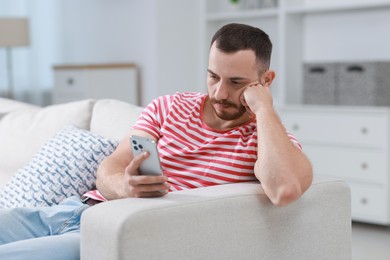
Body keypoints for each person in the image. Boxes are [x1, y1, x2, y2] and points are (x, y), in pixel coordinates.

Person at [0, 23, 313, 259]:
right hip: (74, 211)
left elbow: (285, 189)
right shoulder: (168, 107)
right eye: (213, 76)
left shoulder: (266, 138)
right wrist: (125, 187)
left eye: (236, 83)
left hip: (117, 232)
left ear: (266, 81)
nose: (219, 93)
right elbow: (112, 166)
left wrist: (264, 108)